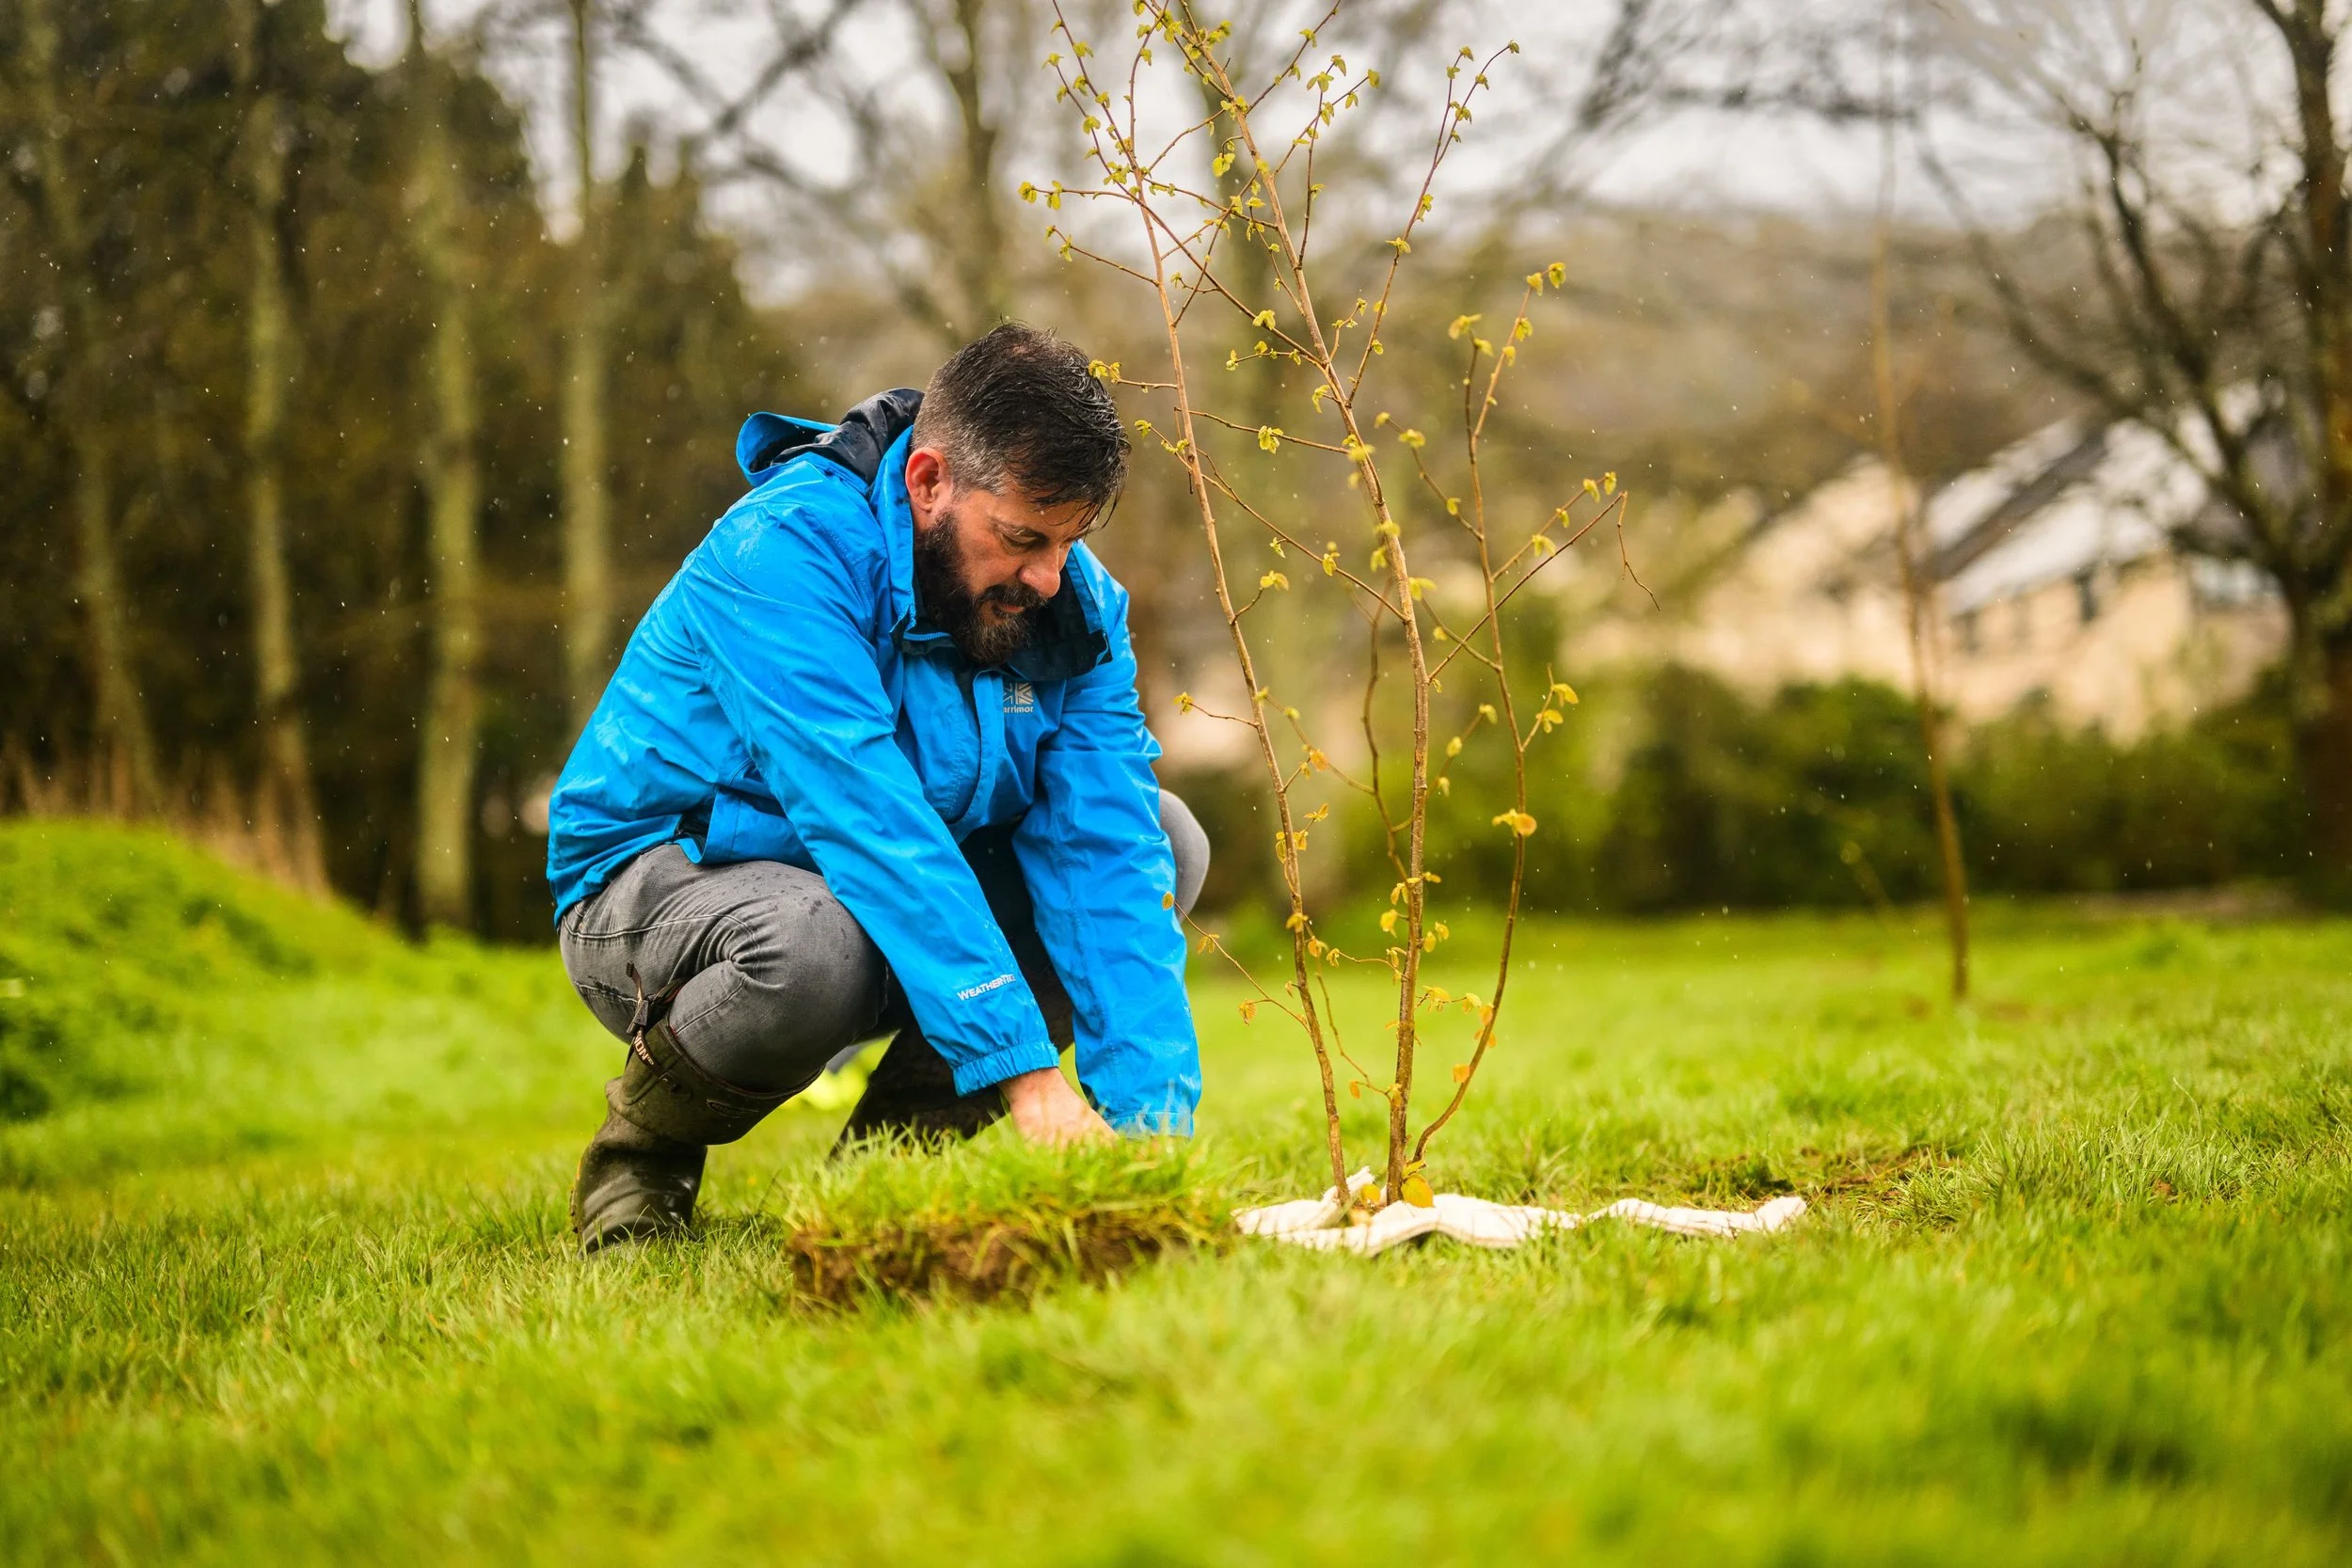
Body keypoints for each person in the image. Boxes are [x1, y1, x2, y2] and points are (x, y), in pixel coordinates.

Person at [544, 323, 1207, 1254]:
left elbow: (1104, 848)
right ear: (928, 480)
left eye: (1067, 543)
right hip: (663, 888)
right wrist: (1027, 1077)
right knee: (813, 943)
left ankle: (880, 1181)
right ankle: (643, 1153)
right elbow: (869, 822)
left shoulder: (1073, 605)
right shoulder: (781, 553)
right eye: (1021, 538)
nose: (1047, 578)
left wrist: (1151, 1130)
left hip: (882, 899)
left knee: (1168, 836)